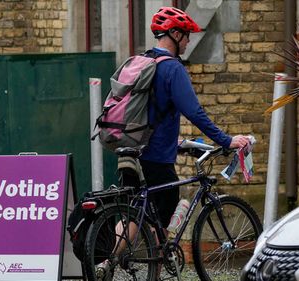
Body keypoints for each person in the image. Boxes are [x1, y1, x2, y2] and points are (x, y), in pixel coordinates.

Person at [95, 7, 250, 281]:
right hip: (155, 158)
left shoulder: (142, 61)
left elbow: (150, 113)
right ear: (174, 35)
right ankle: (156, 261)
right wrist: (226, 140)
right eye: (186, 36)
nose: (188, 41)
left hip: (129, 149)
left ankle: (108, 262)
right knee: (165, 206)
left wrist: (178, 142)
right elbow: (195, 112)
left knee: (135, 210)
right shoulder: (171, 69)